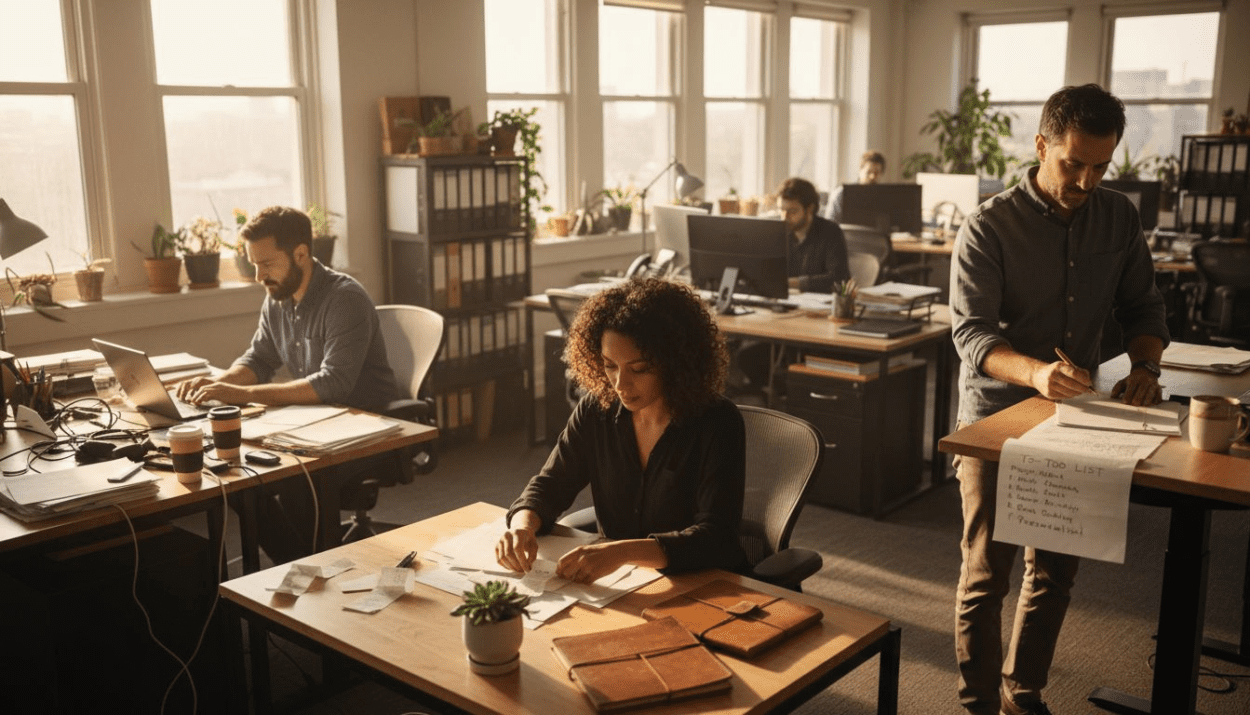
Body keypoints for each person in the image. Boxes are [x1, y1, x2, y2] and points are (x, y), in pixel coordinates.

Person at [948, 84, 1168, 715]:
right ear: (1041, 145)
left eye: (1101, 165)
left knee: (1055, 574)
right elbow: (972, 334)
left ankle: (1024, 693)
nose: (1087, 179)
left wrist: (1146, 363)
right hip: (997, 420)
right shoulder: (989, 226)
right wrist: (1036, 374)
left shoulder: (1118, 217)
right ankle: (977, 705)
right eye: (1074, 163)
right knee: (987, 575)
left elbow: (1143, 307)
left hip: (1079, 421)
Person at [178, 205, 402, 562]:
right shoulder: (277, 298)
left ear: (301, 254)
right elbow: (259, 360)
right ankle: (300, 568)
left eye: (266, 264)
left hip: (366, 426)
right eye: (254, 264)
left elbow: (334, 383)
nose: (258, 276)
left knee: (299, 480)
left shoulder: (345, 298)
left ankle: (309, 572)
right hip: (312, 424)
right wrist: (218, 383)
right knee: (240, 481)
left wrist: (241, 394)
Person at [496, 277, 750, 582]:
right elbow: (551, 484)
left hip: (702, 586)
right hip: (622, 584)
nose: (620, 384)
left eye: (639, 369)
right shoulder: (596, 409)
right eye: (609, 365)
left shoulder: (717, 422)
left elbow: (717, 538)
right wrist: (522, 526)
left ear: (675, 362)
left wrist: (621, 552)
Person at [778, 177, 850, 293]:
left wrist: (788, 283)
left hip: (821, 305)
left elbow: (838, 280)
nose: (784, 217)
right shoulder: (779, 232)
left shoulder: (831, 232)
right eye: (781, 210)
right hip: (788, 301)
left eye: (792, 211)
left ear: (810, 209)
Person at [825, 150, 886, 223]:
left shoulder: (886, 197)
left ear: (882, 174)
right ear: (860, 171)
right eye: (868, 172)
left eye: (876, 173)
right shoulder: (841, 193)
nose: (872, 176)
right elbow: (830, 223)